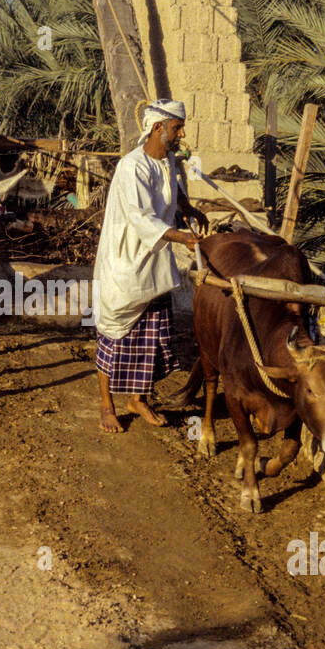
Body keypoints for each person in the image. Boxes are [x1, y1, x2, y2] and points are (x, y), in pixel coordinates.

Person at [92, 100, 205, 433]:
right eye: (176, 128)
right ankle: (106, 405)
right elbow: (142, 218)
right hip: (125, 262)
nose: (182, 134)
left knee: (151, 335)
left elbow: (174, 192)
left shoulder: (167, 160)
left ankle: (138, 399)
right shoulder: (132, 167)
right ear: (158, 128)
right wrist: (181, 237)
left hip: (154, 265)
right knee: (115, 332)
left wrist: (189, 209)